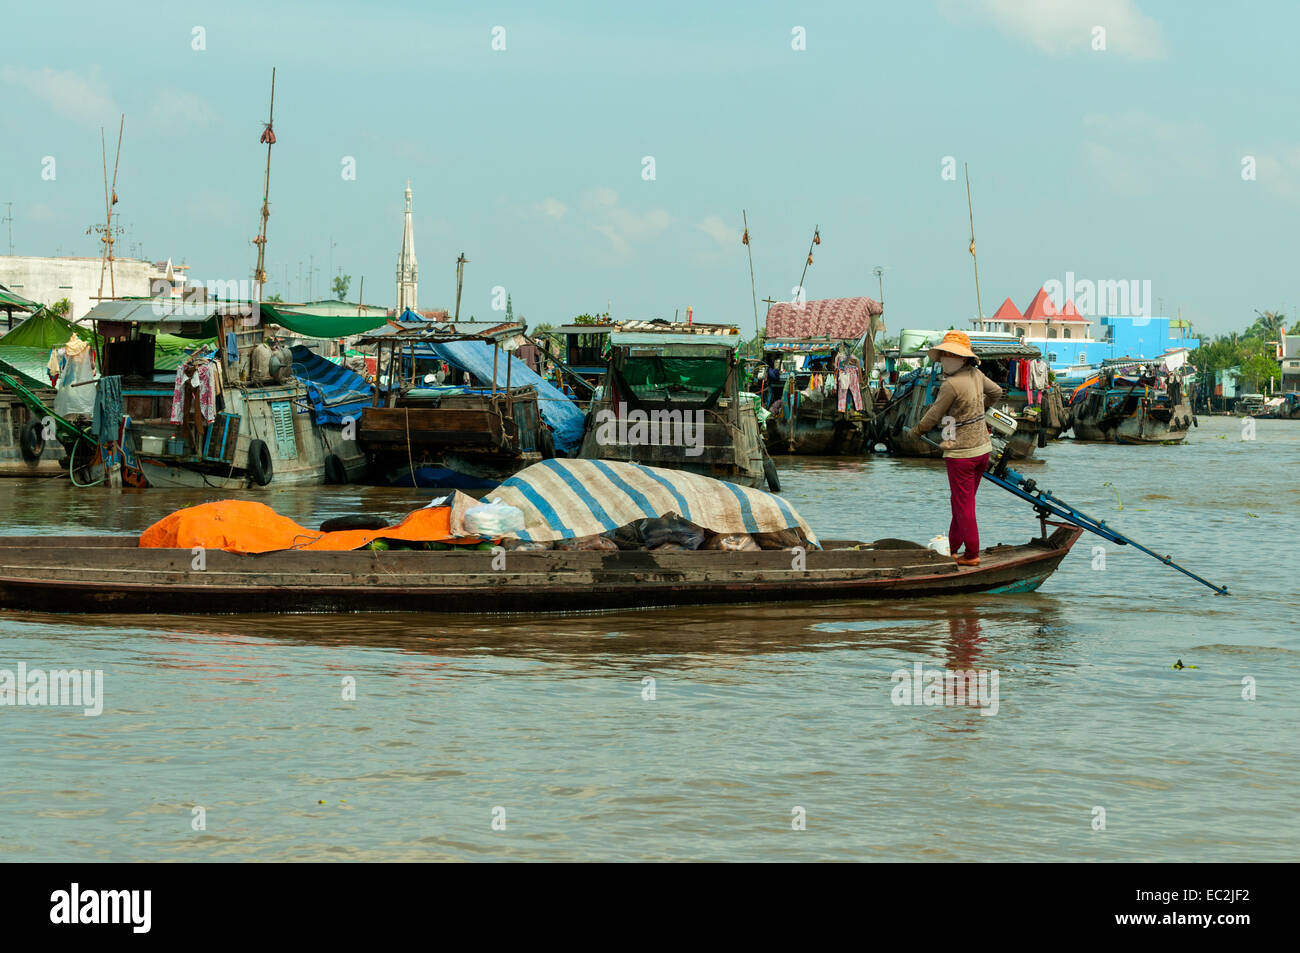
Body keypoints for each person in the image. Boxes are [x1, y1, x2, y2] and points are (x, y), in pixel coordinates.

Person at [907, 330, 1002, 567]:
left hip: (961, 454)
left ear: (960, 358)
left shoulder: (951, 385)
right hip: (982, 449)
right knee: (962, 502)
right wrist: (980, 408)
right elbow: (996, 392)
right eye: (943, 355)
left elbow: (933, 415)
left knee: (963, 504)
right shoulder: (976, 375)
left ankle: (971, 554)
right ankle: (954, 548)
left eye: (948, 355)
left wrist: (916, 430)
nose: (943, 360)